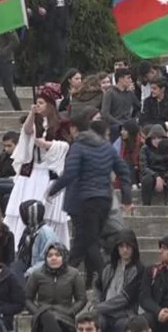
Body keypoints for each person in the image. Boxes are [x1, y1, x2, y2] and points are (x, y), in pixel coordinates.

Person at [47, 108, 133, 288]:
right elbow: (123, 170)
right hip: (104, 200)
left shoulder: (78, 147)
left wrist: (52, 190)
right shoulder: (106, 147)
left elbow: (70, 173)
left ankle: (102, 279)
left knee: (88, 241)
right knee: (86, 241)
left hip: (84, 201)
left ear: (73, 129)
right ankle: (78, 280)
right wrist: (126, 198)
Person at [4, 85, 71, 246]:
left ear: (50, 104)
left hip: (49, 172)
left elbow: (66, 145)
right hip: (31, 173)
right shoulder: (36, 121)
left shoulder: (61, 123)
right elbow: (27, 132)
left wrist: (48, 144)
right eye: (37, 103)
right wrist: (31, 114)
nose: (38, 106)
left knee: (48, 212)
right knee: (24, 208)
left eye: (41, 103)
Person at [26, 243, 86, 332]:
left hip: (65, 317)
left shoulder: (74, 274)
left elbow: (81, 299)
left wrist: (71, 311)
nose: (53, 258)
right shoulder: (37, 275)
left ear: (64, 257)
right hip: (42, 316)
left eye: (57, 255)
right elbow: (27, 298)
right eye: (50, 256)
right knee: (47, 317)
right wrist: (37, 312)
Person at [94, 230, 143, 332]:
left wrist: (98, 307)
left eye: (128, 246)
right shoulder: (108, 267)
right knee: (93, 323)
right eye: (121, 246)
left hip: (124, 314)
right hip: (104, 312)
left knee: (124, 326)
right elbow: (97, 286)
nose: (125, 250)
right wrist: (96, 303)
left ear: (133, 248)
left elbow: (124, 298)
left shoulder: (139, 270)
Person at [37, 0, 74, 80]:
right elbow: (43, 11)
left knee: (62, 55)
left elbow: (71, 11)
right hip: (51, 32)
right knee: (55, 55)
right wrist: (42, 13)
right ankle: (50, 78)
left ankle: (60, 78)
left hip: (64, 30)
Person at [14, 200, 59, 278]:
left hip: (41, 274)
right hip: (26, 267)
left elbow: (46, 262)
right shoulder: (29, 230)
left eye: (25, 214)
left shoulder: (46, 234)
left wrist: (27, 273)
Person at [101, 68, 140, 134]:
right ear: (120, 79)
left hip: (128, 124)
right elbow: (105, 114)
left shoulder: (130, 93)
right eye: (128, 78)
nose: (131, 80)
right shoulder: (110, 93)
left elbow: (139, 107)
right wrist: (120, 124)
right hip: (115, 126)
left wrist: (135, 119)